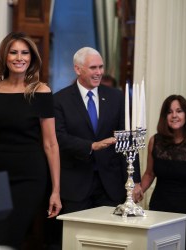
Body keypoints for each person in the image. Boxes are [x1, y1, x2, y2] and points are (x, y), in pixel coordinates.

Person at [0, 31, 62, 249]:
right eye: (13, 52)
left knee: (10, 238)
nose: (19, 57)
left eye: (24, 53)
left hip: (30, 176)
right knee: (1, 236)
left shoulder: (41, 91)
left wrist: (56, 190)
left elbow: (51, 144)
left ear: (31, 58)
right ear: (5, 56)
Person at [54, 47, 140, 213]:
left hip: (110, 185)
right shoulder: (60, 100)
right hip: (75, 185)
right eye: (93, 68)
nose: (99, 72)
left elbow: (128, 139)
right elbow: (59, 138)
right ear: (77, 69)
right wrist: (91, 146)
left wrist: (134, 180)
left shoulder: (116, 97)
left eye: (101, 67)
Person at [134, 95, 186, 250]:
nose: (174, 115)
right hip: (159, 211)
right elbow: (149, 174)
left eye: (179, 111)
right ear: (165, 116)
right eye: (169, 112)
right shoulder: (154, 141)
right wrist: (137, 191)